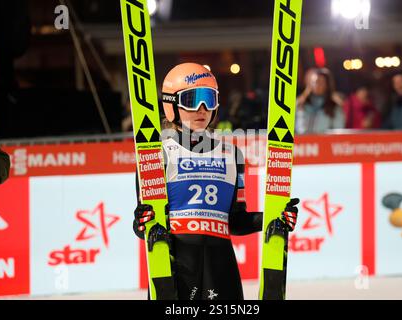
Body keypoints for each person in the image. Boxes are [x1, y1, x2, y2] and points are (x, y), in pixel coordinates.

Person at [132, 63, 300, 300]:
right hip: (177, 270)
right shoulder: (157, 155)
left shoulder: (231, 155)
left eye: (209, 99)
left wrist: (274, 218)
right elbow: (142, 225)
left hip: (221, 269)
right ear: (171, 105)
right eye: (192, 99)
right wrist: (142, 223)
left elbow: (236, 220)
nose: (202, 108)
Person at [295, 68, 345, 134]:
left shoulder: (334, 106)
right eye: (315, 82)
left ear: (327, 85)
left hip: (324, 142)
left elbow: (338, 130)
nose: (317, 85)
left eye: (321, 82)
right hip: (302, 142)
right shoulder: (300, 103)